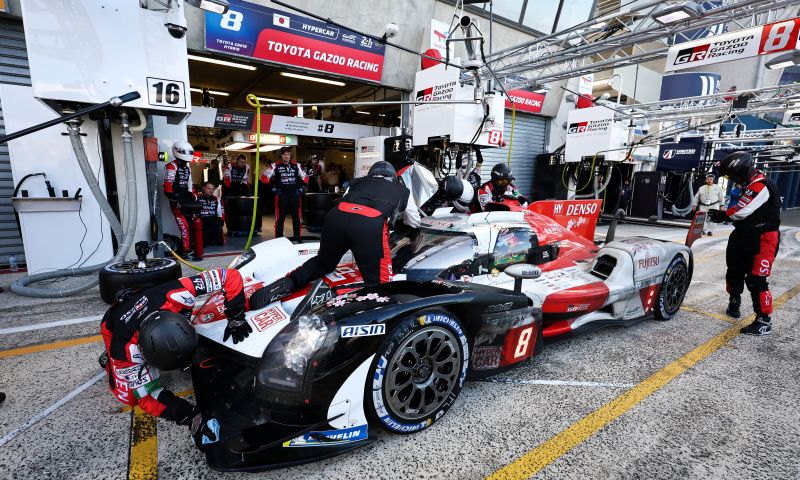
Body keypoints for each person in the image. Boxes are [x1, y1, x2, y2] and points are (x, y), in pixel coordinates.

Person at [100, 268, 251, 450]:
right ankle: (109, 364)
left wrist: (236, 317)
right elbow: (147, 398)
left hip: (153, 297)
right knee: (129, 397)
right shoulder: (123, 351)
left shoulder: (178, 293)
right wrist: (190, 416)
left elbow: (230, 275)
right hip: (115, 323)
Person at [253, 162, 409, 305]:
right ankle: (367, 316)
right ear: (393, 177)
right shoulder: (401, 189)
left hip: (336, 217)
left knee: (323, 262)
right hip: (368, 225)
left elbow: (346, 200)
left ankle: (290, 282)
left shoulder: (357, 182)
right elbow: (413, 220)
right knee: (381, 285)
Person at [709, 151, 781, 336]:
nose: (732, 179)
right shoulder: (749, 184)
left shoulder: (761, 185)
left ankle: (764, 320)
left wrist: (723, 215)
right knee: (734, 271)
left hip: (763, 239)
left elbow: (741, 210)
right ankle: (734, 301)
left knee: (757, 279)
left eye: (732, 175)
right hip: (742, 235)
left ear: (741, 170)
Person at [261, 147, 306, 238]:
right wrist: (273, 190)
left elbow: (305, 178)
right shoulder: (275, 165)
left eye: (288, 154)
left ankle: (297, 237)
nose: (286, 156)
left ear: (290, 155)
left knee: (296, 218)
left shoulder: (296, 165)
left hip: (294, 195)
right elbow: (264, 177)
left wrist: (302, 189)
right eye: (284, 154)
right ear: (281, 155)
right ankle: (279, 238)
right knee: (280, 218)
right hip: (282, 195)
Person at [163, 141, 197, 258]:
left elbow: (190, 186)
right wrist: (174, 200)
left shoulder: (187, 168)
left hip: (187, 201)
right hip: (177, 202)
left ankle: (190, 249)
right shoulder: (171, 166)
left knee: (191, 226)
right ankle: (187, 251)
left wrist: (194, 196)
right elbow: (167, 186)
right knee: (185, 227)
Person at [198, 181, 224, 247]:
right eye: (209, 188)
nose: (211, 191)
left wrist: (221, 222)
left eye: (212, 189)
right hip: (202, 222)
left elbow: (219, 213)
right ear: (203, 188)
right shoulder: (197, 197)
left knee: (220, 243)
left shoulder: (216, 199)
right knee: (203, 244)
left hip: (213, 221)